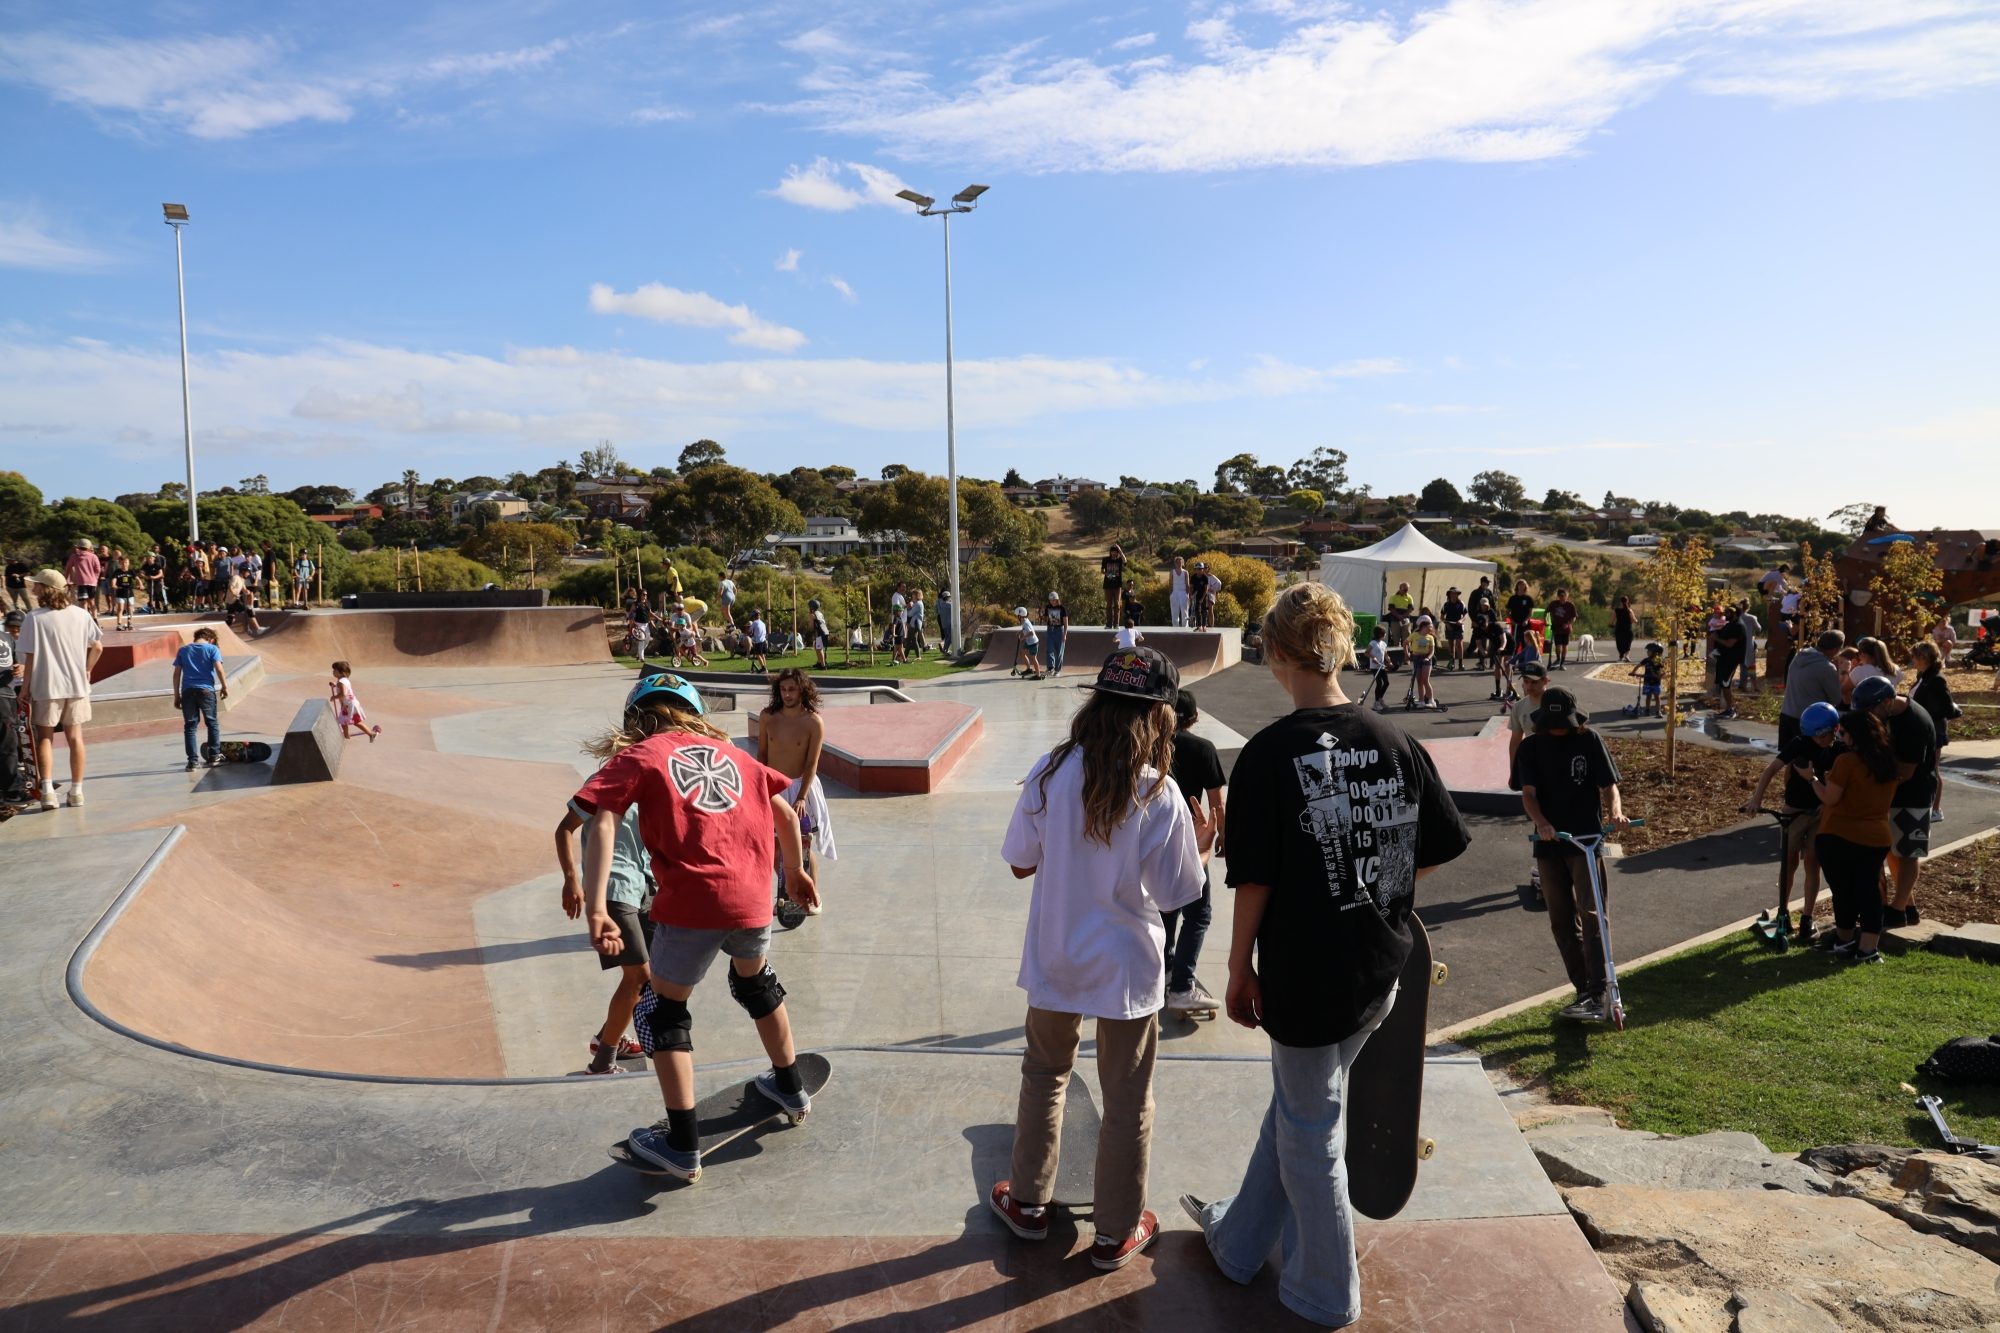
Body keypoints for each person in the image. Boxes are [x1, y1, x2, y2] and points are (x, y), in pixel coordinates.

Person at [1182, 581, 1468, 1325]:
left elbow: (1253, 877)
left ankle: (1324, 1291)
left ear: (1278, 653)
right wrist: (1387, 896)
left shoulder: (1271, 754)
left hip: (1308, 979)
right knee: (1300, 1105)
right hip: (1379, 971)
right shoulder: (1396, 741)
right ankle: (1240, 1240)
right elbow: (1435, 844)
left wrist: (1238, 964)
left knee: (1311, 1132)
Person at [992, 645, 1208, 1271]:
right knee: (1128, 1100)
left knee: (1044, 1076)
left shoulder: (1050, 771)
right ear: (1159, 716)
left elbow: (1019, 862)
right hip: (1127, 967)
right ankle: (1116, 1231)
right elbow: (1177, 895)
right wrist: (1201, 841)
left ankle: (1029, 1203)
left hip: (1057, 955)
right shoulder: (1158, 792)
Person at [578, 671, 815, 1179]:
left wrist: (597, 905)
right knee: (756, 983)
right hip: (753, 896)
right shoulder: (740, 758)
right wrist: (794, 873)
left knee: (664, 1013)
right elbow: (789, 818)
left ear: (637, 722)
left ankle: (682, 1145)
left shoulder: (638, 756)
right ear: (696, 716)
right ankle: (791, 1088)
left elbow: (601, 820)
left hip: (692, 899)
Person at [1514, 686, 1629, 1021]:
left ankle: (1600, 988)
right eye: (1555, 723)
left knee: (1592, 914)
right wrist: (1542, 824)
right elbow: (1528, 795)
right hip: (1550, 844)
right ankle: (1584, 991)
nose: (1560, 728)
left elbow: (1609, 786)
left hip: (1586, 841)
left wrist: (1615, 813)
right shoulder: (1532, 748)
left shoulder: (1588, 741)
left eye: (1565, 722)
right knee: (1561, 920)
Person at [556, 749, 656, 1076]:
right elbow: (563, 830)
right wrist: (571, 879)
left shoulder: (654, 783)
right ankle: (601, 1062)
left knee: (651, 976)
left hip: (644, 886)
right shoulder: (601, 784)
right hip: (613, 889)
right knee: (638, 976)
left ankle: (606, 1038)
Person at [1741, 701, 1842, 946]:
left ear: (1834, 729)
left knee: (1813, 863)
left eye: (1824, 735)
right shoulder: (1799, 744)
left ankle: (1807, 917)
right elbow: (1772, 769)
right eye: (1815, 736)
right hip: (1793, 812)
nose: (1820, 741)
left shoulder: (1838, 750)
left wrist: (1826, 804)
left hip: (1820, 813)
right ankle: (1782, 912)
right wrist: (1756, 800)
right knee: (1789, 862)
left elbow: (1841, 785)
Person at [1810, 707, 1898, 963]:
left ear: (1854, 735)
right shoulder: (1888, 761)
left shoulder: (1846, 762)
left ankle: (1845, 938)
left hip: (1840, 834)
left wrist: (1813, 779)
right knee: (1868, 891)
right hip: (1877, 836)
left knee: (1843, 890)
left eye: (1843, 732)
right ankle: (1867, 948)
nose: (1840, 737)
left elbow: (1830, 797)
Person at [1852, 674, 1934, 927]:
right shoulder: (1884, 715)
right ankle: (1906, 905)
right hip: (1890, 794)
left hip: (1913, 795)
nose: (1869, 717)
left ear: (1887, 701)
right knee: (1891, 852)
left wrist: (1871, 790)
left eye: (1871, 710)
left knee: (1908, 853)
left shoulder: (1913, 723)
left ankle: (1897, 911)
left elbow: (1905, 772)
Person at [18, 569, 103, 810]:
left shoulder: (34, 618)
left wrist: (24, 689)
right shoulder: (81, 614)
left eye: (36, 586)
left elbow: (30, 658)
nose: (33, 589)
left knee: (45, 738)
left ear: (46, 589)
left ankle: (47, 792)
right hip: (76, 685)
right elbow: (97, 647)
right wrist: (87, 670)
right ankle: (76, 791)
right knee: (75, 737)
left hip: (46, 685)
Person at [1165, 689, 1226, 1018]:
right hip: (1190, 838)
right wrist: (1223, 837)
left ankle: (1164, 970)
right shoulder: (1203, 749)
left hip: (1154, 840)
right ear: (1194, 717)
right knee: (1198, 913)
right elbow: (1216, 801)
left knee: (1165, 909)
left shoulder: (1149, 747)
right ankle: (1182, 987)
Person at [758, 668, 837, 911]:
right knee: (775, 847)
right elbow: (761, 756)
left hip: (801, 789)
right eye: (783, 689)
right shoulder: (767, 717)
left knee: (803, 846)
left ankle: (813, 897)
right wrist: (759, 786)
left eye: (792, 689)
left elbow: (812, 763)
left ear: (802, 690)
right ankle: (786, 891)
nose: (787, 694)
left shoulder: (813, 722)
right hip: (773, 787)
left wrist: (802, 796)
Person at [1507, 661, 1552, 899]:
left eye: (1534, 682)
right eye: (1525, 682)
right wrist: (1514, 770)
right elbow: (1516, 739)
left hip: (1555, 769)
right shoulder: (1520, 707)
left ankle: (1551, 869)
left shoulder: (1556, 703)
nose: (1529, 686)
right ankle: (1545, 870)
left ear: (1546, 681)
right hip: (1533, 772)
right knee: (1539, 819)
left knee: (1551, 819)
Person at [1908, 642, 1958, 826]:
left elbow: (1947, 707)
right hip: (1923, 727)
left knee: (1933, 769)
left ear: (1923, 658)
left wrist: (1927, 713)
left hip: (1934, 729)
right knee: (1925, 768)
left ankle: (1936, 809)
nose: (1913, 660)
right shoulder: (1924, 676)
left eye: (1915, 657)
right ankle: (1927, 805)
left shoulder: (1936, 679)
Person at [171, 626, 228, 771]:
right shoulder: (212, 649)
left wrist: (177, 695)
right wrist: (224, 686)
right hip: (206, 691)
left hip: (188, 692)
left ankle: (192, 762)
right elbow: (219, 669)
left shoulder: (183, 650)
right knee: (212, 723)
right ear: (211, 639)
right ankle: (214, 756)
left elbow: (176, 674)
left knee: (190, 727)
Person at [1782, 630, 1845, 747]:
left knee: (1788, 757)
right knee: (1808, 760)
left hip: (1787, 713)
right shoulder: (1827, 667)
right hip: (1811, 720)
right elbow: (1836, 699)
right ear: (1836, 649)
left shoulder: (1798, 657)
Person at [328, 660, 382, 742]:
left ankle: (346, 737)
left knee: (343, 722)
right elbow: (343, 687)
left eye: (335, 670)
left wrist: (334, 697)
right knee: (357, 722)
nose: (333, 672)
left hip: (348, 706)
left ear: (341, 672)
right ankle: (371, 734)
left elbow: (343, 694)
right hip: (352, 704)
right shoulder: (344, 680)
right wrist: (335, 685)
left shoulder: (340, 682)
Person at [0, 610, 22, 805]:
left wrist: (19, 667)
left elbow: (17, 663)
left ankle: (11, 790)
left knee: (8, 744)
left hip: (6, 695)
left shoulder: (7, 638)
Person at [1712, 606, 1748, 718]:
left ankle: (1730, 709)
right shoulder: (1729, 624)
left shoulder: (1738, 626)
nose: (1726, 614)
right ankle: (1728, 708)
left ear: (1735, 613)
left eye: (1729, 612)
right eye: (1726, 611)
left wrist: (1716, 638)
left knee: (1726, 683)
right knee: (1723, 683)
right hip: (1724, 658)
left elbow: (1730, 643)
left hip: (1731, 660)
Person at [63, 538, 103, 619]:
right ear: (88, 547)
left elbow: (67, 568)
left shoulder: (74, 557)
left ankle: (85, 619)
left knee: (83, 602)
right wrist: (95, 579)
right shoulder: (93, 556)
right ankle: (95, 619)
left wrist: (66, 579)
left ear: (78, 547)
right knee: (91, 602)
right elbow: (98, 569)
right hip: (92, 582)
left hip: (81, 582)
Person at [1408, 614, 1437, 708]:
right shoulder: (1415, 635)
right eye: (1429, 627)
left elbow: (1432, 651)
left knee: (1425, 680)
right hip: (1417, 658)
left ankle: (1431, 701)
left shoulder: (1431, 637)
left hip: (1426, 659)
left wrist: (1428, 657)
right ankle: (1421, 701)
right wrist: (1408, 652)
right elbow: (1406, 642)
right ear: (1423, 626)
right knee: (1419, 680)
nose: (1430, 629)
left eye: (1431, 628)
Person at [1547, 588, 1576, 670]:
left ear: (1567, 596)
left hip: (1566, 628)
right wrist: (1548, 622)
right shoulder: (1553, 604)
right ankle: (1558, 659)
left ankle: (1562, 663)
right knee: (1557, 645)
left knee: (1564, 645)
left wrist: (1568, 624)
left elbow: (1574, 617)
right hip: (1556, 628)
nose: (1562, 597)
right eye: (1560, 595)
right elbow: (1546, 612)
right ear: (1558, 596)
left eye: (1564, 595)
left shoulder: (1570, 605)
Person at [1365, 624, 1392, 710]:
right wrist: (1373, 658)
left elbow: (1386, 654)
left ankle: (1380, 699)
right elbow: (1366, 652)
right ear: (1380, 634)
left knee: (1386, 683)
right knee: (1379, 683)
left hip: (1382, 666)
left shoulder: (1383, 644)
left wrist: (1389, 661)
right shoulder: (1373, 643)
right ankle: (1376, 703)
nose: (1385, 635)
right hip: (1375, 666)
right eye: (1384, 633)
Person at [107, 554, 137, 632]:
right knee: (120, 608)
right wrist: (113, 584)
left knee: (130, 608)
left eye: (126, 562)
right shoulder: (117, 572)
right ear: (120, 563)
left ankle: (130, 622)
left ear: (128, 563)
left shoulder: (131, 571)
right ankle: (119, 624)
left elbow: (137, 578)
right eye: (122, 562)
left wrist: (140, 584)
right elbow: (114, 579)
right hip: (120, 592)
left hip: (129, 593)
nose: (124, 564)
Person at [1012, 606, 1043, 679]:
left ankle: (1038, 675)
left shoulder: (1025, 622)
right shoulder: (1024, 621)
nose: (1017, 617)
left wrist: (1022, 638)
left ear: (1020, 616)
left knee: (1033, 658)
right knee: (1022, 653)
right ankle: (1029, 669)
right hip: (1029, 642)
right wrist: (1020, 632)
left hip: (1033, 643)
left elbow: (1032, 633)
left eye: (1017, 616)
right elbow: (1024, 629)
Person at [1100, 544, 1127, 629]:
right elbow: (1102, 570)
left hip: (1117, 586)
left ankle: (1116, 624)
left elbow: (1125, 561)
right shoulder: (1105, 559)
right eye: (1112, 551)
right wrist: (1106, 573)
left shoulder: (1119, 560)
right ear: (1110, 552)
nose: (1114, 553)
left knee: (1117, 605)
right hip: (1107, 585)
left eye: (1115, 552)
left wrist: (1120, 549)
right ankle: (1108, 624)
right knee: (1108, 605)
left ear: (1117, 552)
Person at [1635, 642, 1665, 717]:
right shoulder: (1646, 660)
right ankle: (1647, 710)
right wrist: (1633, 672)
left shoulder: (1659, 661)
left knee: (1657, 697)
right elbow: (1638, 665)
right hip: (1647, 682)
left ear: (1655, 652)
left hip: (1656, 683)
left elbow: (1664, 670)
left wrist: (1661, 675)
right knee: (1648, 696)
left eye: (1649, 651)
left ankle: (1658, 711)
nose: (1647, 652)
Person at [1043, 591, 1069, 677]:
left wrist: (1065, 634)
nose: (1052, 601)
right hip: (1050, 630)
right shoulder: (1047, 607)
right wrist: (1045, 618)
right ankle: (1050, 668)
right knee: (1049, 649)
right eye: (1051, 600)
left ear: (1057, 599)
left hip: (1059, 631)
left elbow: (1065, 623)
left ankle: (1057, 670)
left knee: (1059, 652)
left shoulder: (1062, 608)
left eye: (1054, 600)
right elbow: (1046, 618)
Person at [1440, 587, 1466, 671]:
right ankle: (1452, 662)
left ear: (1457, 595)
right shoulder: (1446, 604)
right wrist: (1447, 624)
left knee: (1459, 643)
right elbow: (1442, 617)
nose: (1454, 595)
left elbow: (1465, 615)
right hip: (1449, 626)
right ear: (1449, 594)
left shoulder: (1461, 603)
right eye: (1452, 593)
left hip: (1458, 626)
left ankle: (1461, 664)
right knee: (1451, 645)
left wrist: (1461, 620)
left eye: (1455, 593)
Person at [1505, 579, 1535, 648]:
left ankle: (1525, 658)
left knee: (1526, 643)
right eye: (1520, 585)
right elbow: (1508, 611)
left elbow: (1531, 612)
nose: (1521, 586)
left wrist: (1526, 620)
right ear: (1517, 586)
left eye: (1523, 585)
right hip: (1515, 624)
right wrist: (1512, 621)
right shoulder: (1512, 598)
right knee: (1515, 643)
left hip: (1525, 625)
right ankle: (1514, 657)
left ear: (1525, 587)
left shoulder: (1528, 599)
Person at [140, 544, 167, 615]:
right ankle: (152, 607)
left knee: (159, 594)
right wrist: (145, 576)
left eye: (151, 558)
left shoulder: (157, 565)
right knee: (151, 595)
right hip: (149, 581)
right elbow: (141, 572)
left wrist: (154, 577)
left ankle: (164, 607)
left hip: (157, 581)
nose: (149, 559)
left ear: (154, 558)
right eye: (148, 558)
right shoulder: (145, 565)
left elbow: (161, 573)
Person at [806, 598, 830, 670]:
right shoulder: (820, 613)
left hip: (819, 633)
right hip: (825, 631)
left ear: (811, 607)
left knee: (819, 649)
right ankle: (819, 662)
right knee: (817, 648)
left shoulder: (812, 615)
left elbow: (811, 626)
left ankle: (823, 666)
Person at [1168, 556, 1191, 628]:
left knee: (1184, 611)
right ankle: (1175, 627)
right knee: (1174, 612)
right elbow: (1170, 584)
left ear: (1182, 563)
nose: (1179, 564)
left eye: (1180, 562)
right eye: (1177, 562)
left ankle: (1185, 627)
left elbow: (1187, 584)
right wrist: (1171, 594)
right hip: (1174, 593)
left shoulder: (1185, 572)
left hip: (1183, 593)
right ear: (1175, 563)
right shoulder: (1172, 572)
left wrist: (1187, 595)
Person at [1612, 595, 1635, 662]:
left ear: (1620, 602)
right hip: (1628, 629)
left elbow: (1612, 621)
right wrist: (1635, 621)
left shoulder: (1616, 610)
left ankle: (1621, 656)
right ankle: (1627, 656)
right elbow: (1633, 620)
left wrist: (1612, 625)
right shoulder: (1629, 610)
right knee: (1628, 643)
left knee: (1619, 643)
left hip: (1619, 629)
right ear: (1627, 601)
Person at [747, 609, 769, 673]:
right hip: (763, 641)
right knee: (763, 655)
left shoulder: (754, 623)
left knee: (758, 655)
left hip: (758, 641)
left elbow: (750, 631)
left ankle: (763, 668)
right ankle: (765, 668)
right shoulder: (763, 623)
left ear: (754, 616)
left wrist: (749, 634)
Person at [908, 588, 928, 657]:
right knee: (914, 641)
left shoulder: (917, 604)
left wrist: (908, 608)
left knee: (909, 641)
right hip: (917, 624)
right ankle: (918, 656)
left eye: (913, 595)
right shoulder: (919, 603)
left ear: (917, 595)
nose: (912, 596)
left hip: (915, 624)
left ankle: (904, 657)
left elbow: (910, 614)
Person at [937, 586, 955, 656]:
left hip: (944, 624)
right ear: (947, 597)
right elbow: (956, 608)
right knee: (950, 638)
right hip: (949, 624)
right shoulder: (949, 605)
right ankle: (945, 650)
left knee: (947, 637)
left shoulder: (942, 605)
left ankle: (945, 650)